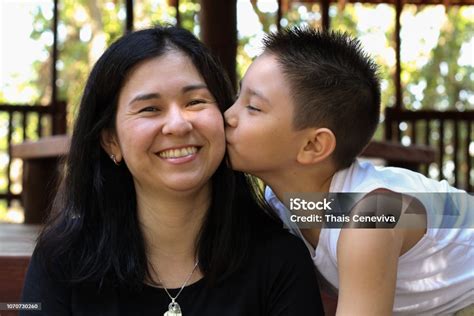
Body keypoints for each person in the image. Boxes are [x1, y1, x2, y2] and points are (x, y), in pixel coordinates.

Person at [20, 26, 324, 315]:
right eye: (150, 108)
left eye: (195, 101)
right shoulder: (61, 262)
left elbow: (367, 212)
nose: (178, 124)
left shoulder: (280, 258)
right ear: (111, 140)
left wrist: (368, 219)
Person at [225, 26, 474, 315]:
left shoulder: (371, 216)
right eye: (237, 97)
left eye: (253, 107)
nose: (228, 116)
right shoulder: (279, 203)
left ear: (313, 145)